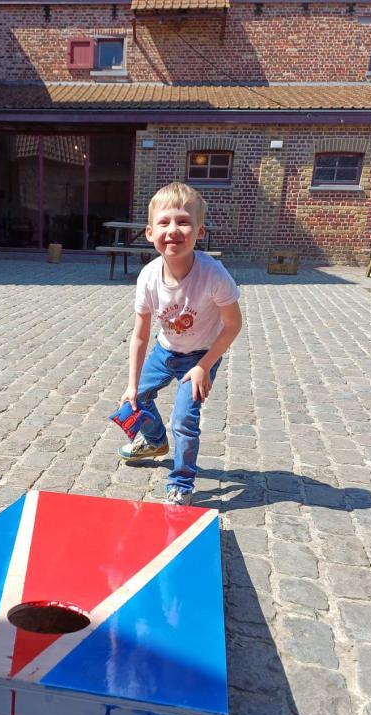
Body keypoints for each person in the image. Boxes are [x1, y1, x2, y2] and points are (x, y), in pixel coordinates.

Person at [118, 182, 242, 505]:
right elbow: (140, 335)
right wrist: (132, 385)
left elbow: (233, 325)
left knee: (184, 421)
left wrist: (204, 366)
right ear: (150, 233)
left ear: (199, 231)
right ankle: (155, 440)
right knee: (135, 400)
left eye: (183, 222)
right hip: (165, 350)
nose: (173, 229)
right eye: (164, 222)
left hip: (200, 356)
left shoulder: (213, 274)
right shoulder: (148, 277)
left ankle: (181, 484)